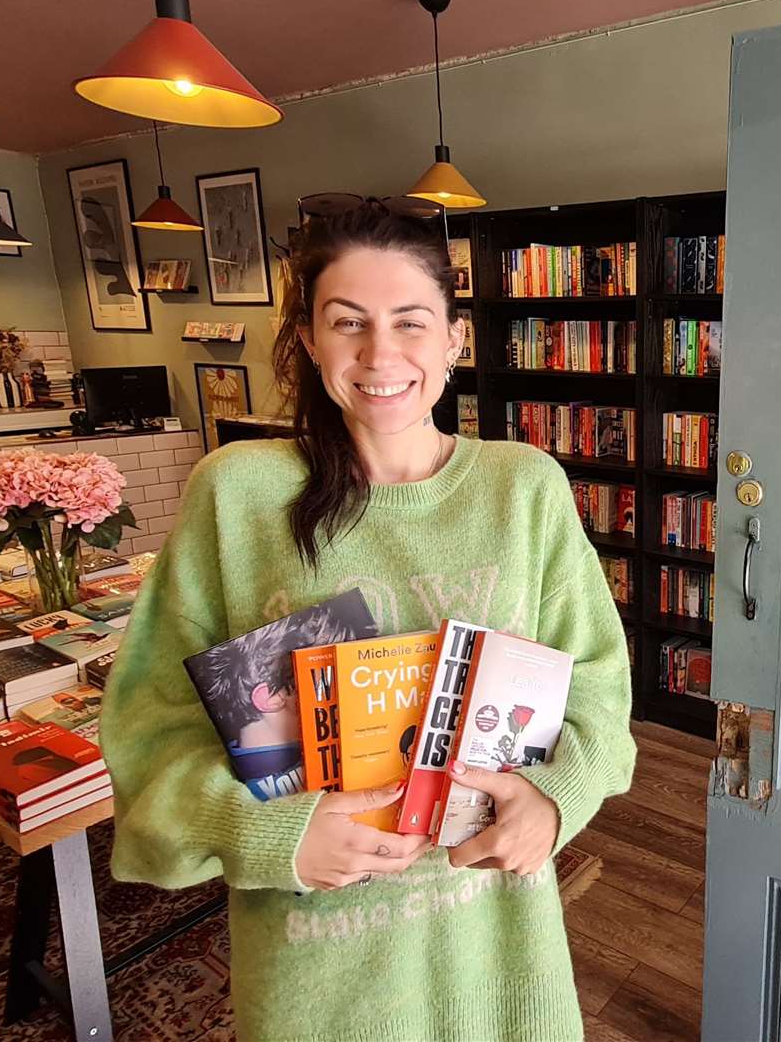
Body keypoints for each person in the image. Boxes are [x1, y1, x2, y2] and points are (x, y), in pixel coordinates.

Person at [100, 199, 636, 1042]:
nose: (380, 354)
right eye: (346, 322)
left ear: (454, 339)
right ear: (309, 341)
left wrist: (554, 799)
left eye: (410, 322)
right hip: (319, 974)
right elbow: (146, 732)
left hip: (496, 953)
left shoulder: (523, 488)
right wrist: (273, 832)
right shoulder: (236, 493)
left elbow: (599, 691)